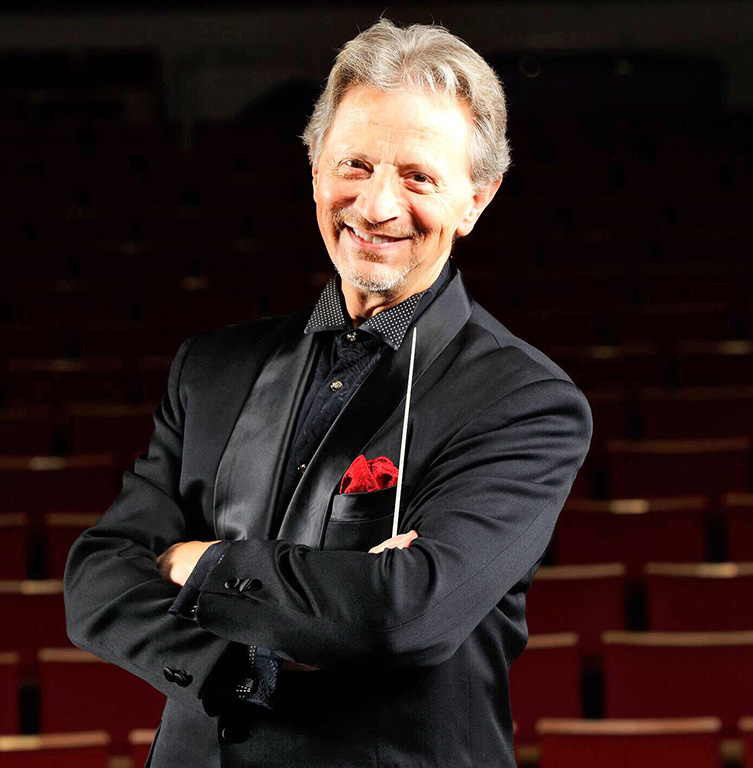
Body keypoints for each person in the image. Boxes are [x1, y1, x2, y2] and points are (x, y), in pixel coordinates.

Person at [64, 19, 591, 768]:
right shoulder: (211, 367)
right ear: (315, 171)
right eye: (354, 164)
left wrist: (200, 564)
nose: (376, 207)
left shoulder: (525, 401)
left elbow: (405, 612)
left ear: (476, 199)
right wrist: (239, 667)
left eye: (418, 177)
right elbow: (98, 577)